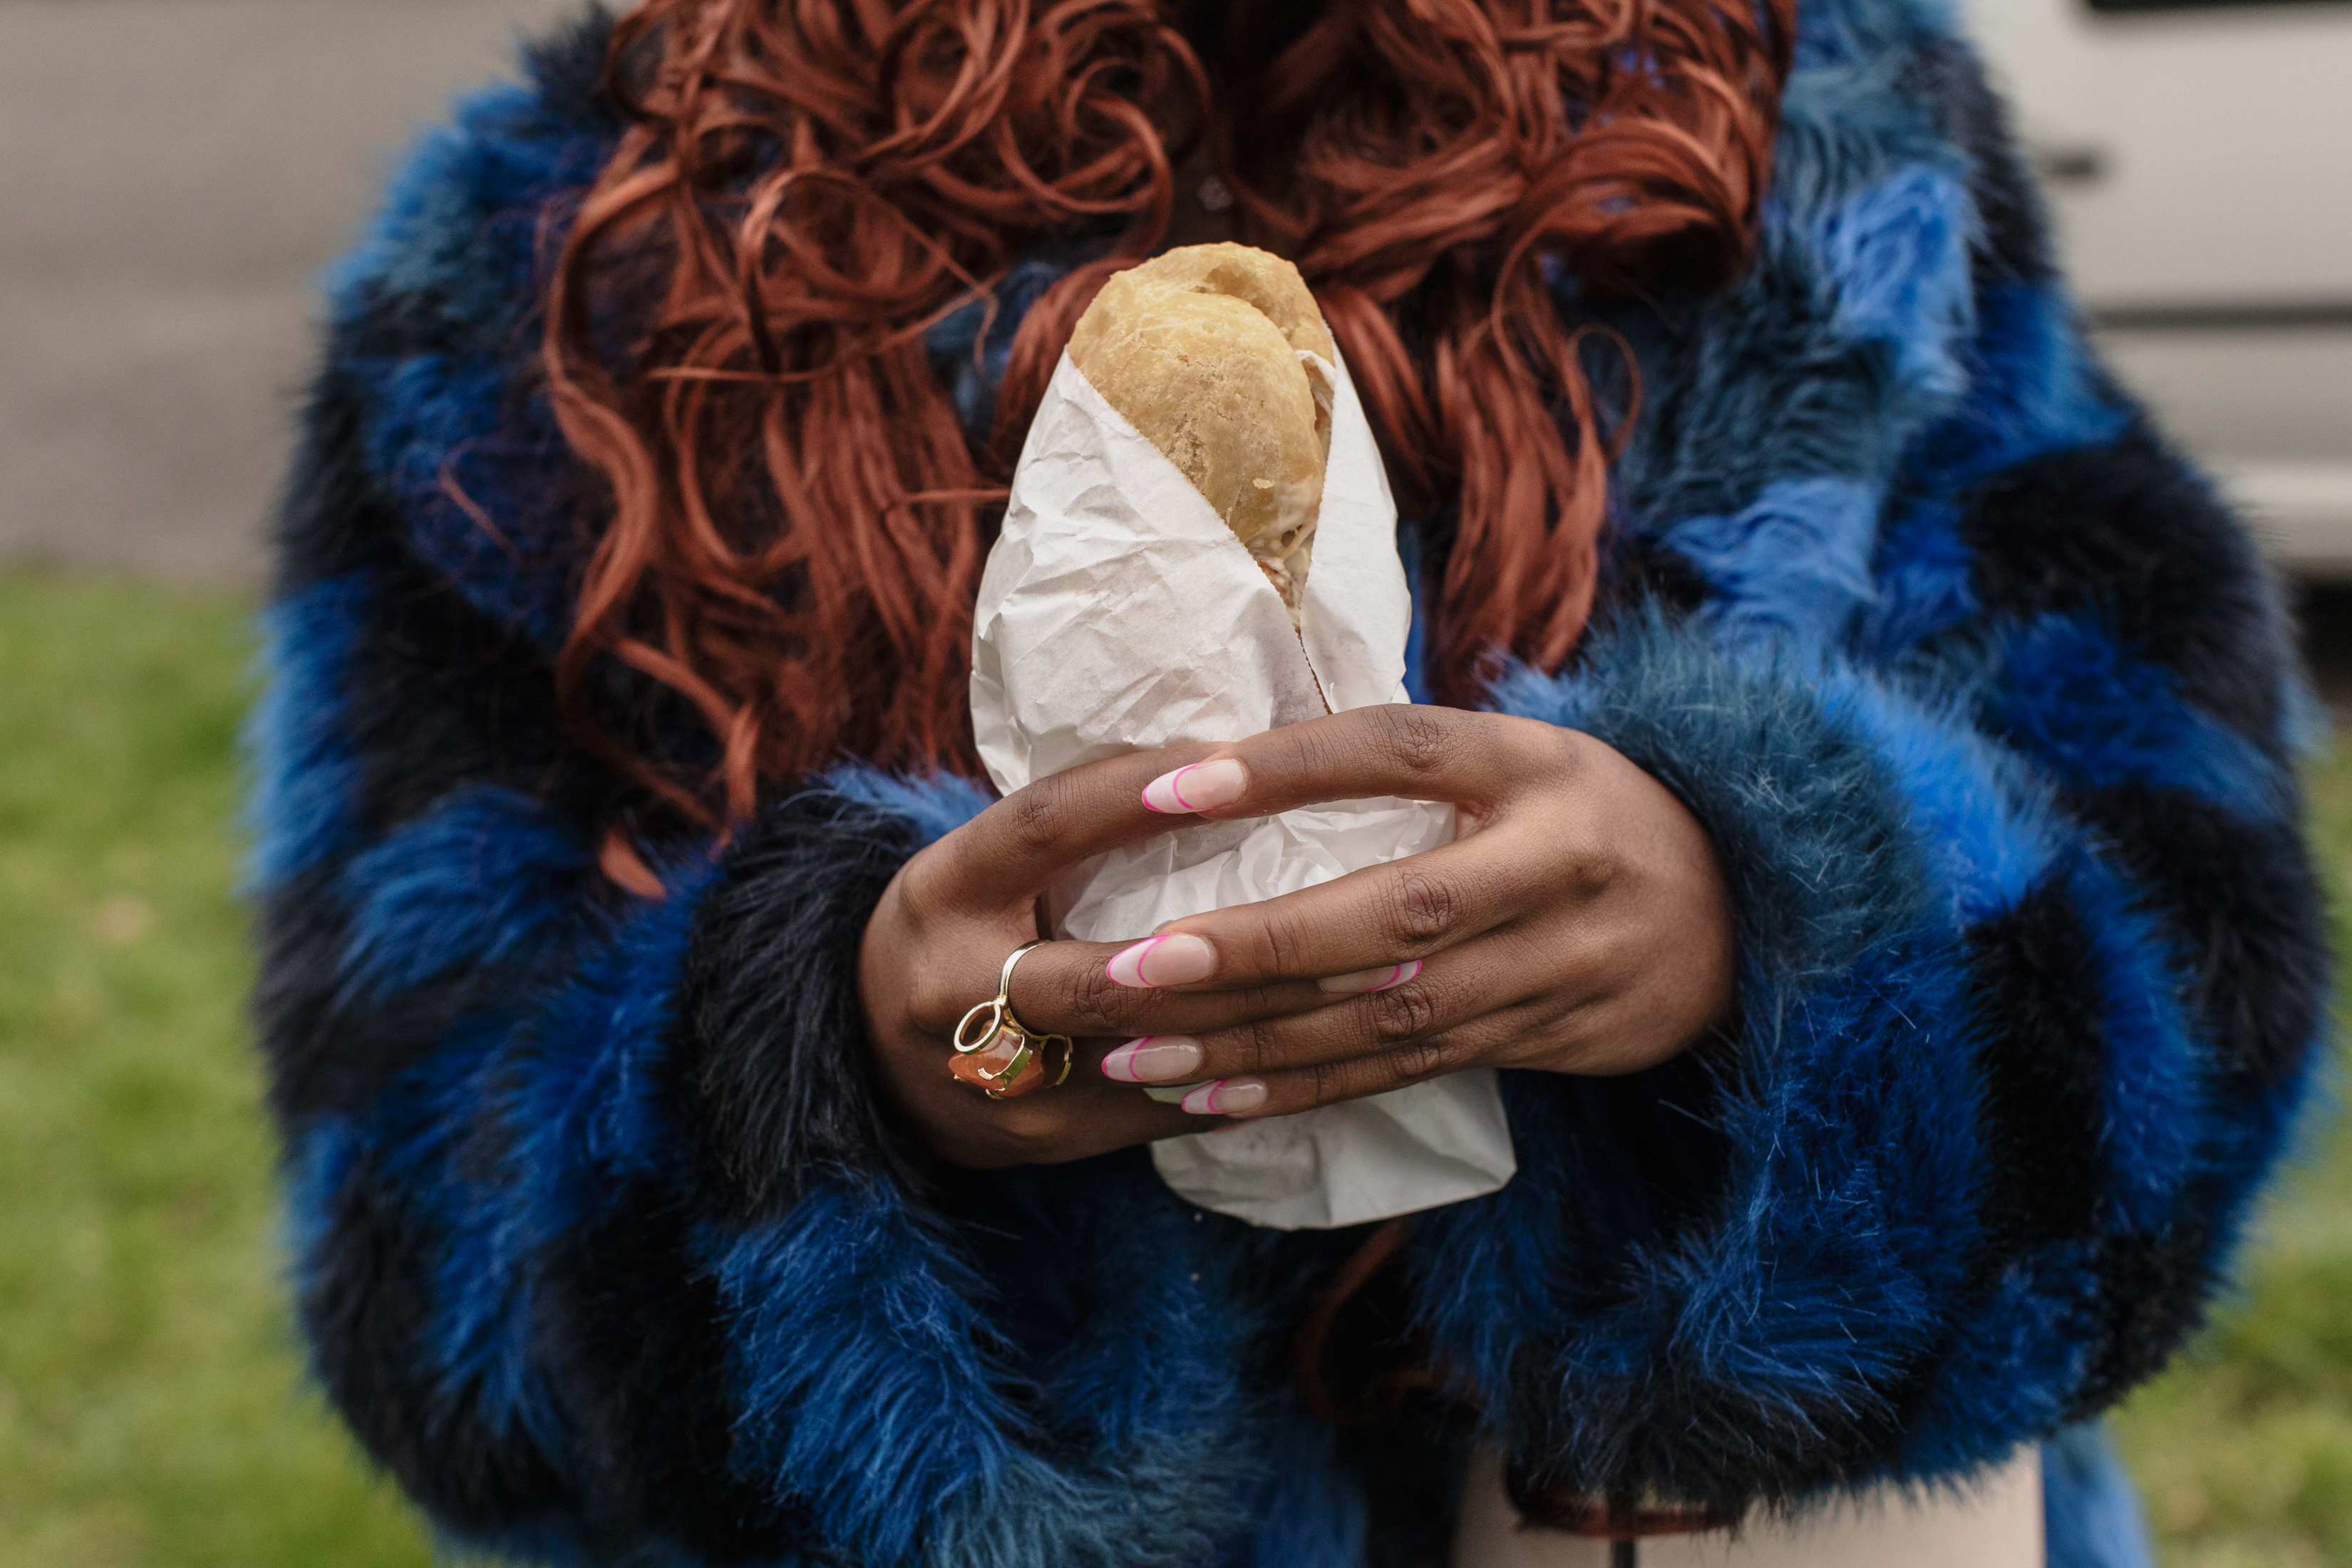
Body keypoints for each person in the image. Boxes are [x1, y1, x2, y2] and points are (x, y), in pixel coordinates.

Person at [249, 1, 2326, 1564]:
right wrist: (829, 1079)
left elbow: (2186, 954)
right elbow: (426, 1256)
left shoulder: (1809, 133)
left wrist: (1772, 918)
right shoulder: (559, 261)